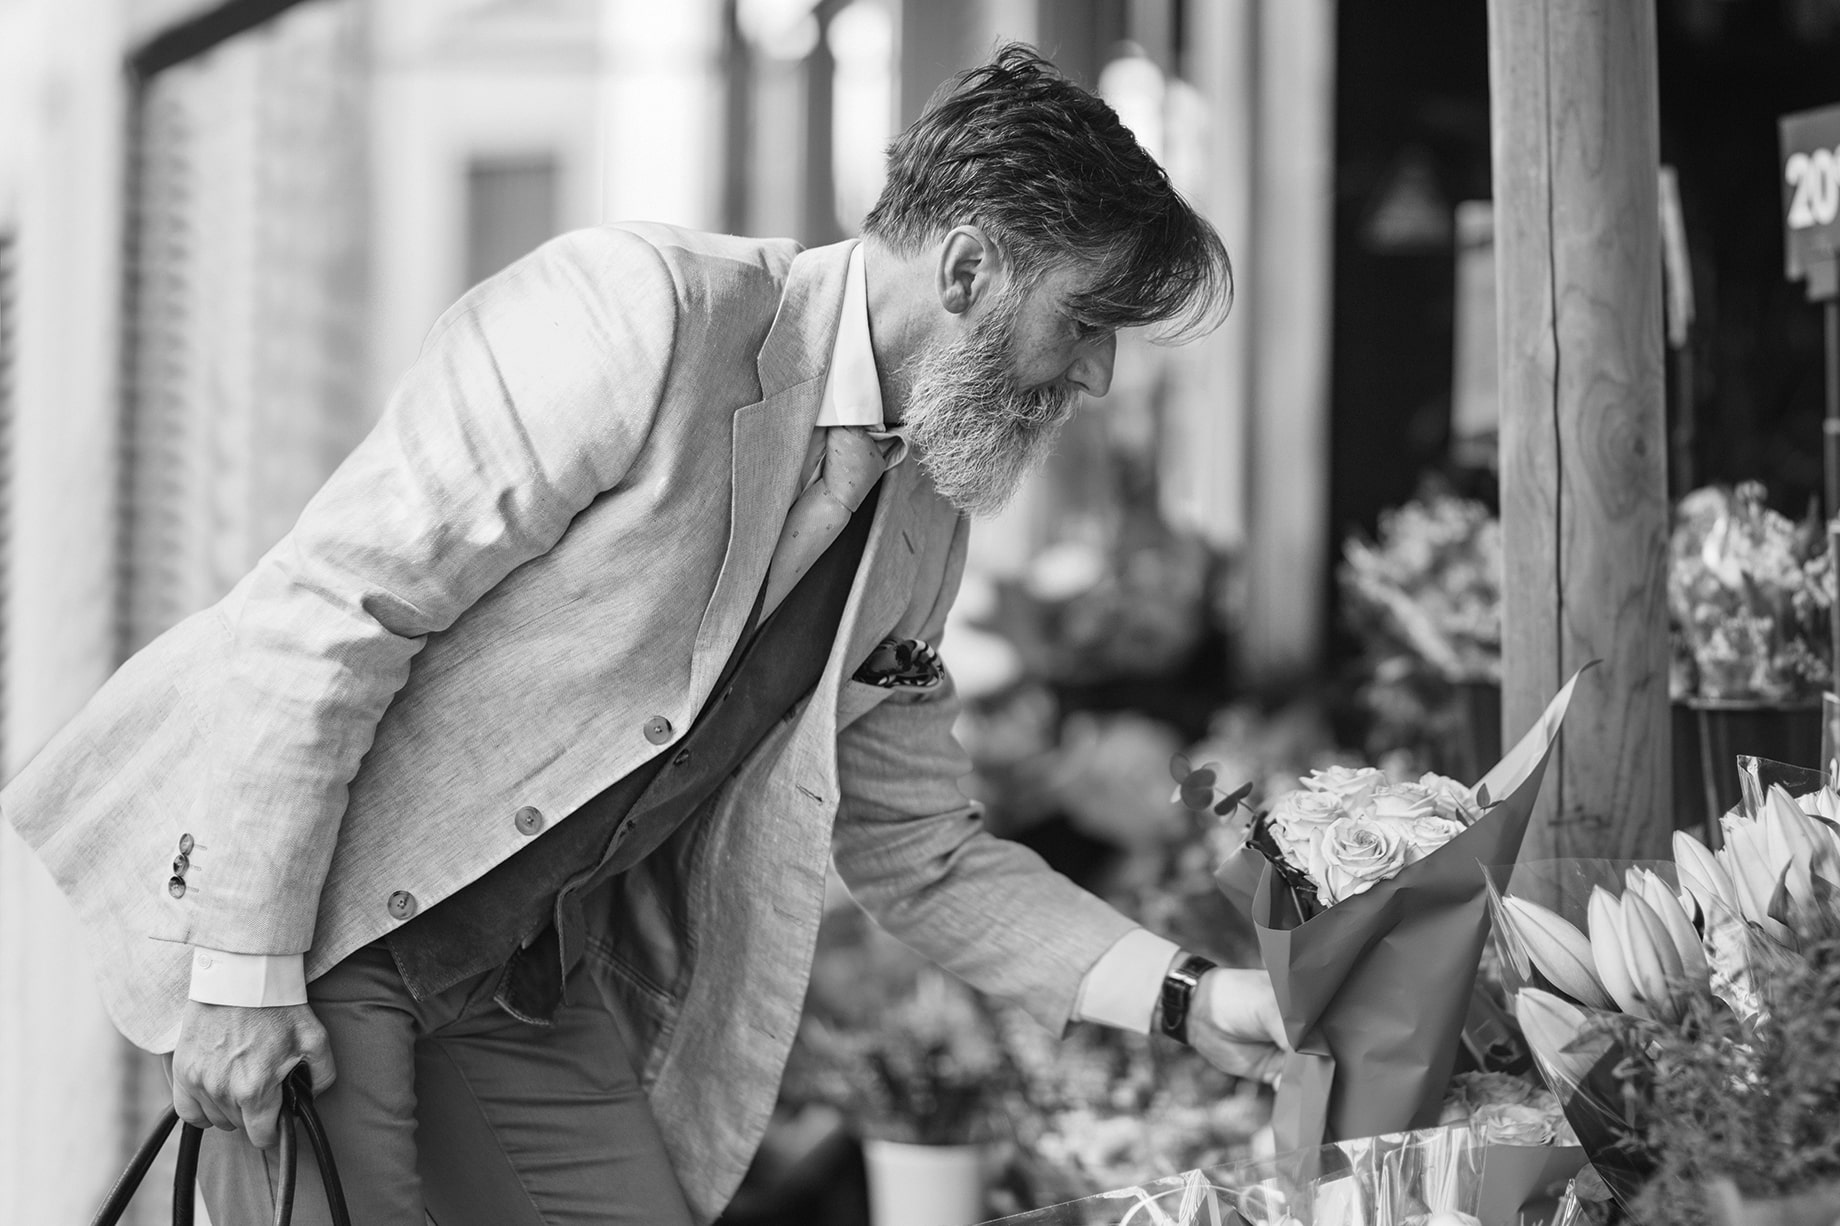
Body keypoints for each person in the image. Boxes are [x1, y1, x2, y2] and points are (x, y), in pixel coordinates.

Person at [6, 44, 1287, 1226]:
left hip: (525, 980)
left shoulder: (922, 525)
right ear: (965, 271)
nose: (1098, 378)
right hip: (321, 930)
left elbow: (920, 847)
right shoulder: (643, 314)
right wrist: (239, 974)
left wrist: (1192, 994)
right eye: (1086, 321)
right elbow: (332, 607)